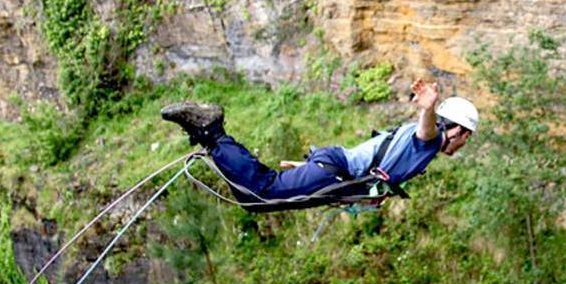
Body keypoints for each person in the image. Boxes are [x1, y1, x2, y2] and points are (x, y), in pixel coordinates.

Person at [160, 80, 477, 201]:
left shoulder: (415, 147)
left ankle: (211, 138)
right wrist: (429, 108)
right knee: (263, 193)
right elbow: (428, 133)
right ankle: (212, 133)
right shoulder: (429, 141)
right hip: (334, 171)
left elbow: (367, 162)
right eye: (467, 138)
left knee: (254, 201)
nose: (463, 145)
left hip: (332, 174)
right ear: (459, 131)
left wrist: (308, 170)